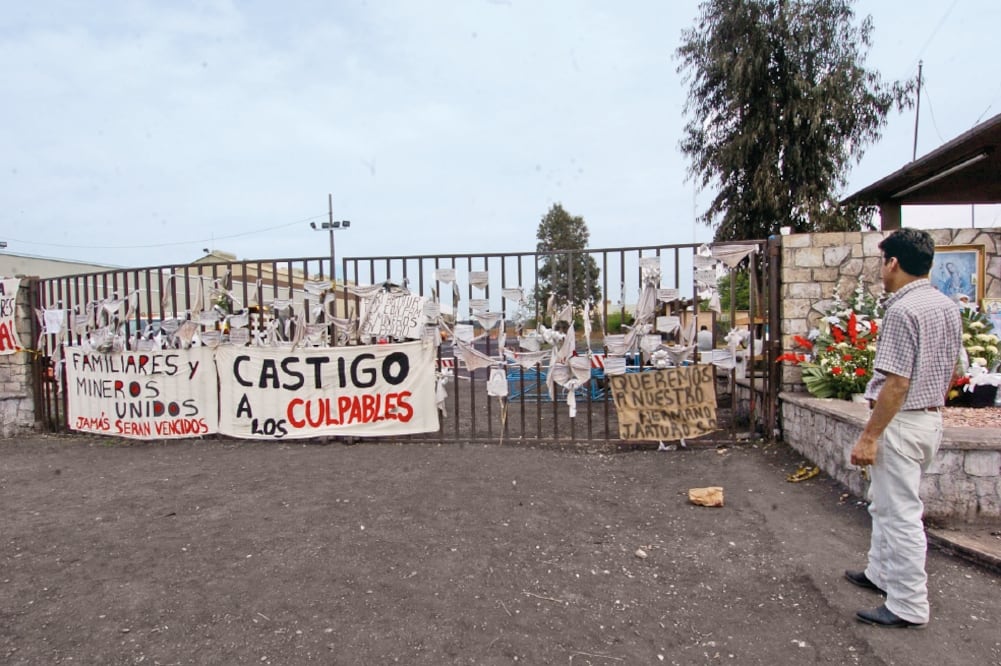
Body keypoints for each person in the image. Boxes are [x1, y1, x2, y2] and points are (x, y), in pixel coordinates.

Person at [846, 228, 962, 629]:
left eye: (883, 262)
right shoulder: (946, 306)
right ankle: (881, 573)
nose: (882, 270)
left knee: (900, 514)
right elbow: (954, 369)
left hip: (901, 420)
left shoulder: (902, 309)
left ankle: (908, 603)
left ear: (893, 263)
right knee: (884, 502)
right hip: (927, 418)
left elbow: (897, 381)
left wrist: (870, 435)